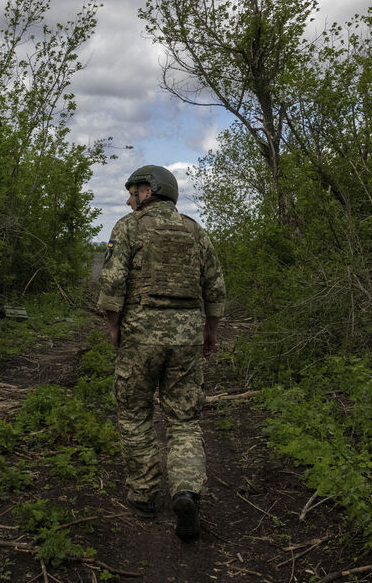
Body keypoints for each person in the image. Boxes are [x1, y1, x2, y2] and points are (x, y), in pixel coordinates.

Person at [96, 164, 227, 542]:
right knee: (184, 419)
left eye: (132, 191)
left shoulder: (128, 227)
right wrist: (210, 332)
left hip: (141, 335)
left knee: (136, 413)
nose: (128, 198)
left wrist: (113, 326)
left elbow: (112, 283)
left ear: (148, 191)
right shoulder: (194, 230)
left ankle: (144, 496)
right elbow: (215, 287)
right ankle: (185, 491)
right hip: (186, 336)